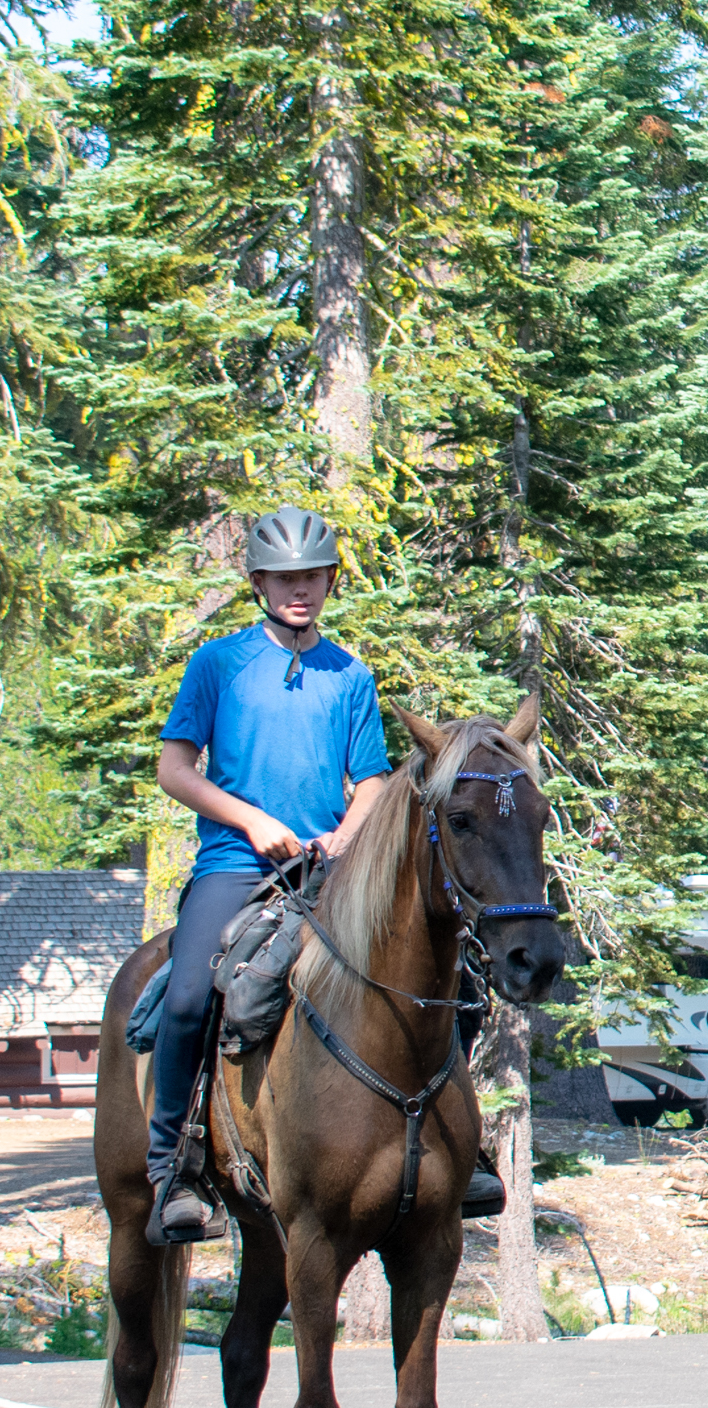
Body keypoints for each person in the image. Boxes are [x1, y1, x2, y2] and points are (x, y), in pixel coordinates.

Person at [142, 508, 505, 1245]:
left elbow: (370, 780)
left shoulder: (350, 674)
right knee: (186, 996)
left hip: (328, 868)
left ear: (330, 580)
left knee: (458, 979)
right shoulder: (218, 663)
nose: (299, 589)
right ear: (259, 582)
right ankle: (172, 1166)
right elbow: (174, 769)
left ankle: (460, 1153)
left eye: (311, 576)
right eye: (284, 577)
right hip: (236, 864)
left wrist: (346, 833)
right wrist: (249, 821)